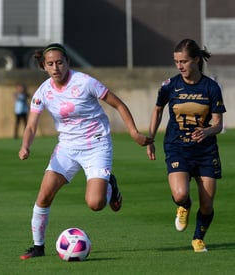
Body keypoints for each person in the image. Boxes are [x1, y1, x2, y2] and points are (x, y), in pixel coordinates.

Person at [18, 43, 153, 260]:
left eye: (60, 62)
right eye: (50, 64)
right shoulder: (43, 91)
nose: (56, 67)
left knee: (95, 204)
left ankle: (110, 184)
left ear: (67, 62)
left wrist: (134, 133)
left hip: (97, 145)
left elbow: (118, 104)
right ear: (44, 66)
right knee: (44, 196)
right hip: (67, 148)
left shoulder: (85, 82)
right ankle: (38, 247)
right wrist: (25, 146)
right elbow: (31, 125)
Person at [146, 38, 226, 252]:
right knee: (181, 194)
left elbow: (218, 125)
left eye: (184, 61)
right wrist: (151, 138)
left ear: (196, 60)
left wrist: (207, 131)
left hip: (205, 151)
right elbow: (158, 110)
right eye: (176, 61)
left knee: (207, 204)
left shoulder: (211, 87)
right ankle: (184, 206)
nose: (179, 66)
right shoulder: (170, 86)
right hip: (177, 147)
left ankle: (198, 238)